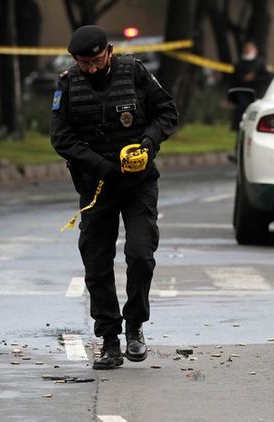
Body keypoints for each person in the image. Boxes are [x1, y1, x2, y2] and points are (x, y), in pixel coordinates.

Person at [51, 25, 179, 370]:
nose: (90, 69)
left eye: (95, 60)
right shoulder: (67, 84)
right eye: (83, 63)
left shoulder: (134, 72)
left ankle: (135, 325)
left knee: (140, 253)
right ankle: (109, 339)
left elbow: (167, 112)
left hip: (138, 184)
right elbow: (60, 138)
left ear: (108, 51)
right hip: (96, 187)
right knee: (96, 263)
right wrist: (100, 165)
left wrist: (149, 143)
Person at [231, 41, 271, 131]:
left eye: (249, 48)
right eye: (246, 48)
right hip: (242, 94)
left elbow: (267, 77)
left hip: (256, 93)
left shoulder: (261, 63)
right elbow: (234, 79)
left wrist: (253, 78)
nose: (247, 50)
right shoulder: (239, 64)